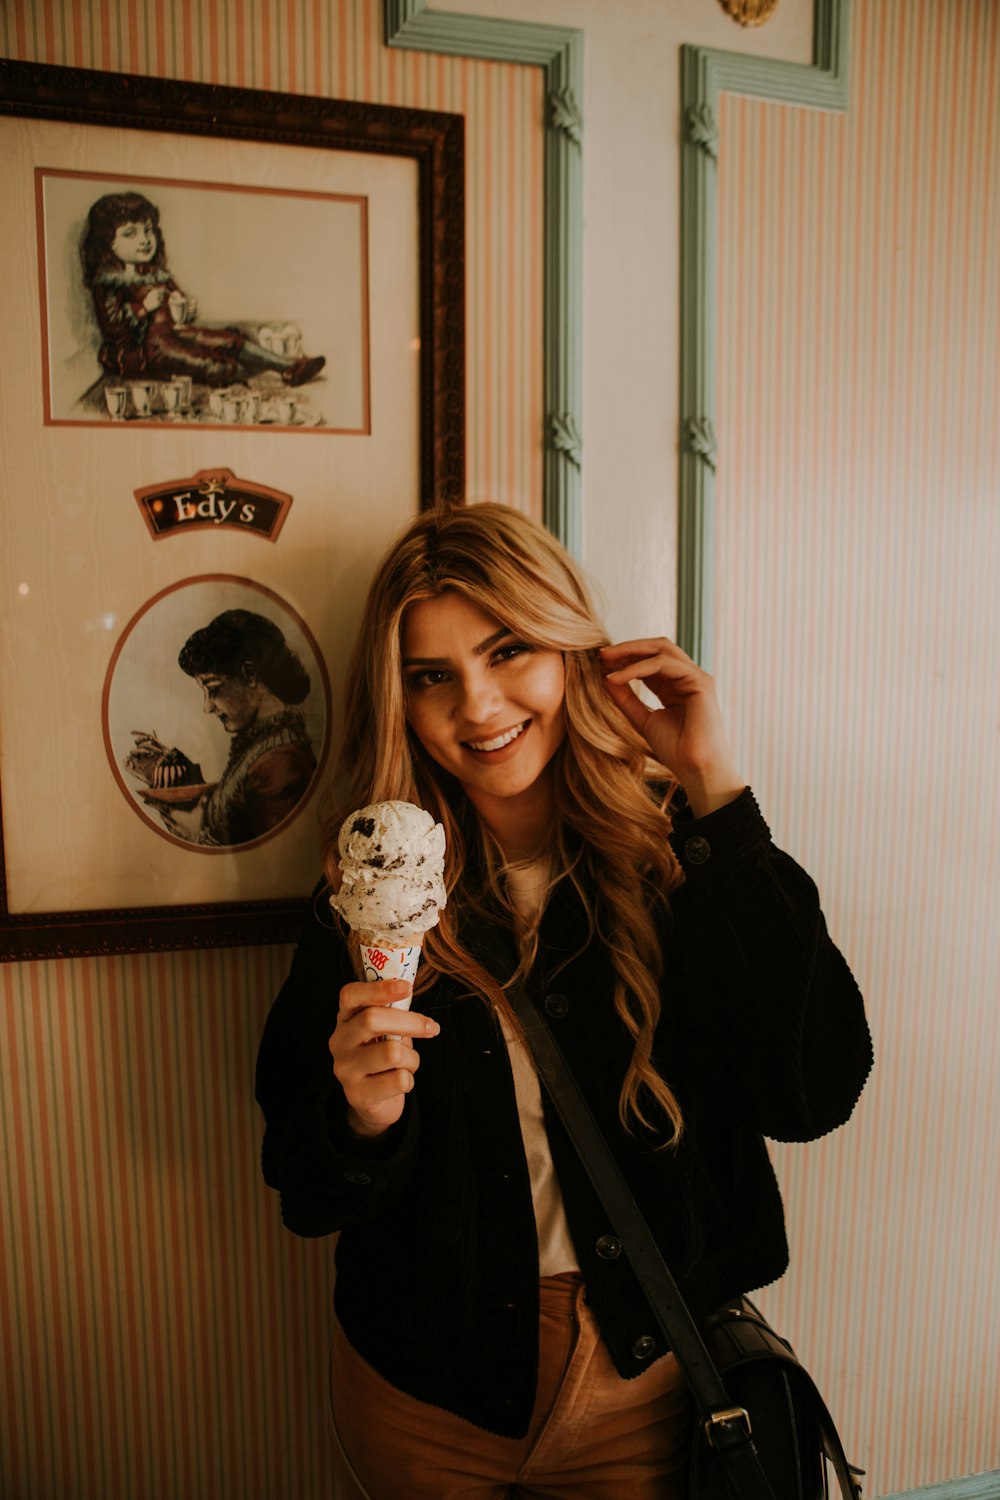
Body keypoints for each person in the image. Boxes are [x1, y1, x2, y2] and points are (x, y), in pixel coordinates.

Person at [254, 503, 872, 1499]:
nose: (480, 703)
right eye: (431, 675)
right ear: (398, 698)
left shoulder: (680, 858)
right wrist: (360, 1120)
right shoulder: (372, 882)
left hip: (645, 1379)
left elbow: (810, 1095)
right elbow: (307, 1187)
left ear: (570, 649)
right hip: (424, 1393)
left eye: (509, 651)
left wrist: (714, 784)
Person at [81, 192, 326, 392]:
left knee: (229, 341)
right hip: (144, 351)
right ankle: (275, 375)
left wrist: (185, 309)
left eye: (148, 230)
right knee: (212, 364)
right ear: (108, 243)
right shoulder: (110, 282)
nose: (145, 240)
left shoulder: (157, 274)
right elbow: (113, 327)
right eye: (130, 234)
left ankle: (290, 365)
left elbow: (179, 315)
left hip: (172, 335)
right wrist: (143, 307)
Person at [138, 608, 317, 847]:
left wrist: (197, 834)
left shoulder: (282, 763)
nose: (207, 707)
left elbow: (269, 855)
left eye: (213, 689)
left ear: (249, 674)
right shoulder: (261, 745)